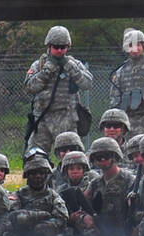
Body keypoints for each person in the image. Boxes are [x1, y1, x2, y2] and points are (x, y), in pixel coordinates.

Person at [23, 26, 92, 156]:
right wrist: (46, 72)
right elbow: (29, 87)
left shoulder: (74, 64)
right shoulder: (39, 65)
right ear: (49, 46)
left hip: (67, 118)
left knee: (72, 158)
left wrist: (71, 67)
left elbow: (87, 84)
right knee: (35, 157)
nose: (59, 50)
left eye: (63, 47)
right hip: (42, 119)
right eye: (56, 47)